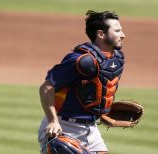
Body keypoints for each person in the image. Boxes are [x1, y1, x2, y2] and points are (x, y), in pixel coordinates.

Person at [38, 10, 126, 154]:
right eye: (117, 31)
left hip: (90, 129)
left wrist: (101, 115)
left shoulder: (116, 60)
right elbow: (46, 88)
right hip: (63, 127)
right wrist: (53, 121)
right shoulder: (82, 60)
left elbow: (90, 92)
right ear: (101, 34)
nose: (123, 35)